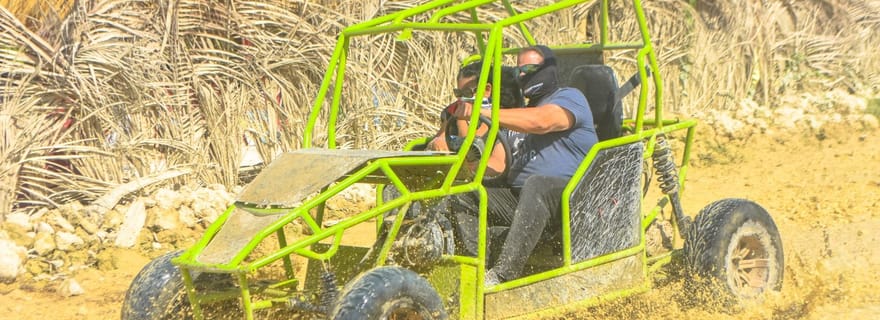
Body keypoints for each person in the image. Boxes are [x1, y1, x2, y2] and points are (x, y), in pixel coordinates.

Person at [448, 45, 598, 286]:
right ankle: (475, 269)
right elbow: (497, 167)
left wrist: (480, 111)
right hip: (524, 202)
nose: (523, 76)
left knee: (537, 184)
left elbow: (542, 121)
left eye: (529, 69)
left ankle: (503, 275)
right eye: (519, 71)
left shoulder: (569, 97)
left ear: (548, 69)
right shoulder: (517, 116)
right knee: (466, 194)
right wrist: (469, 157)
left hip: (571, 200)